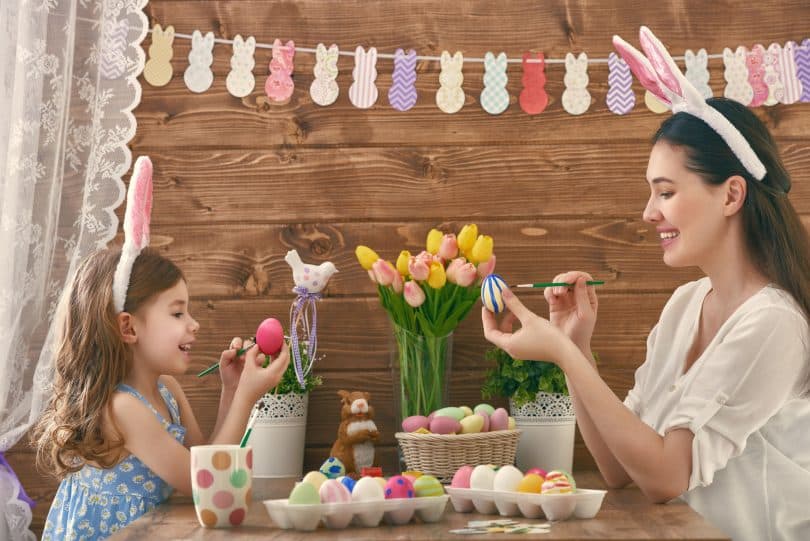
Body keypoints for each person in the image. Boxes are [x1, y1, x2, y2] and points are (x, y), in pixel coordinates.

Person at [482, 92, 810, 541]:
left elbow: (665, 477)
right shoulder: (684, 306)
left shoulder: (773, 323)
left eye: (666, 192)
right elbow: (618, 469)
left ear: (732, 194)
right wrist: (574, 345)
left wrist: (563, 354)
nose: (649, 212)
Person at [32, 156, 291, 540]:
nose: (193, 323)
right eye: (177, 313)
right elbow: (201, 481)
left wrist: (232, 390)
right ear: (129, 327)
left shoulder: (168, 390)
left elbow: (207, 458)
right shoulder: (122, 408)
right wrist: (248, 398)